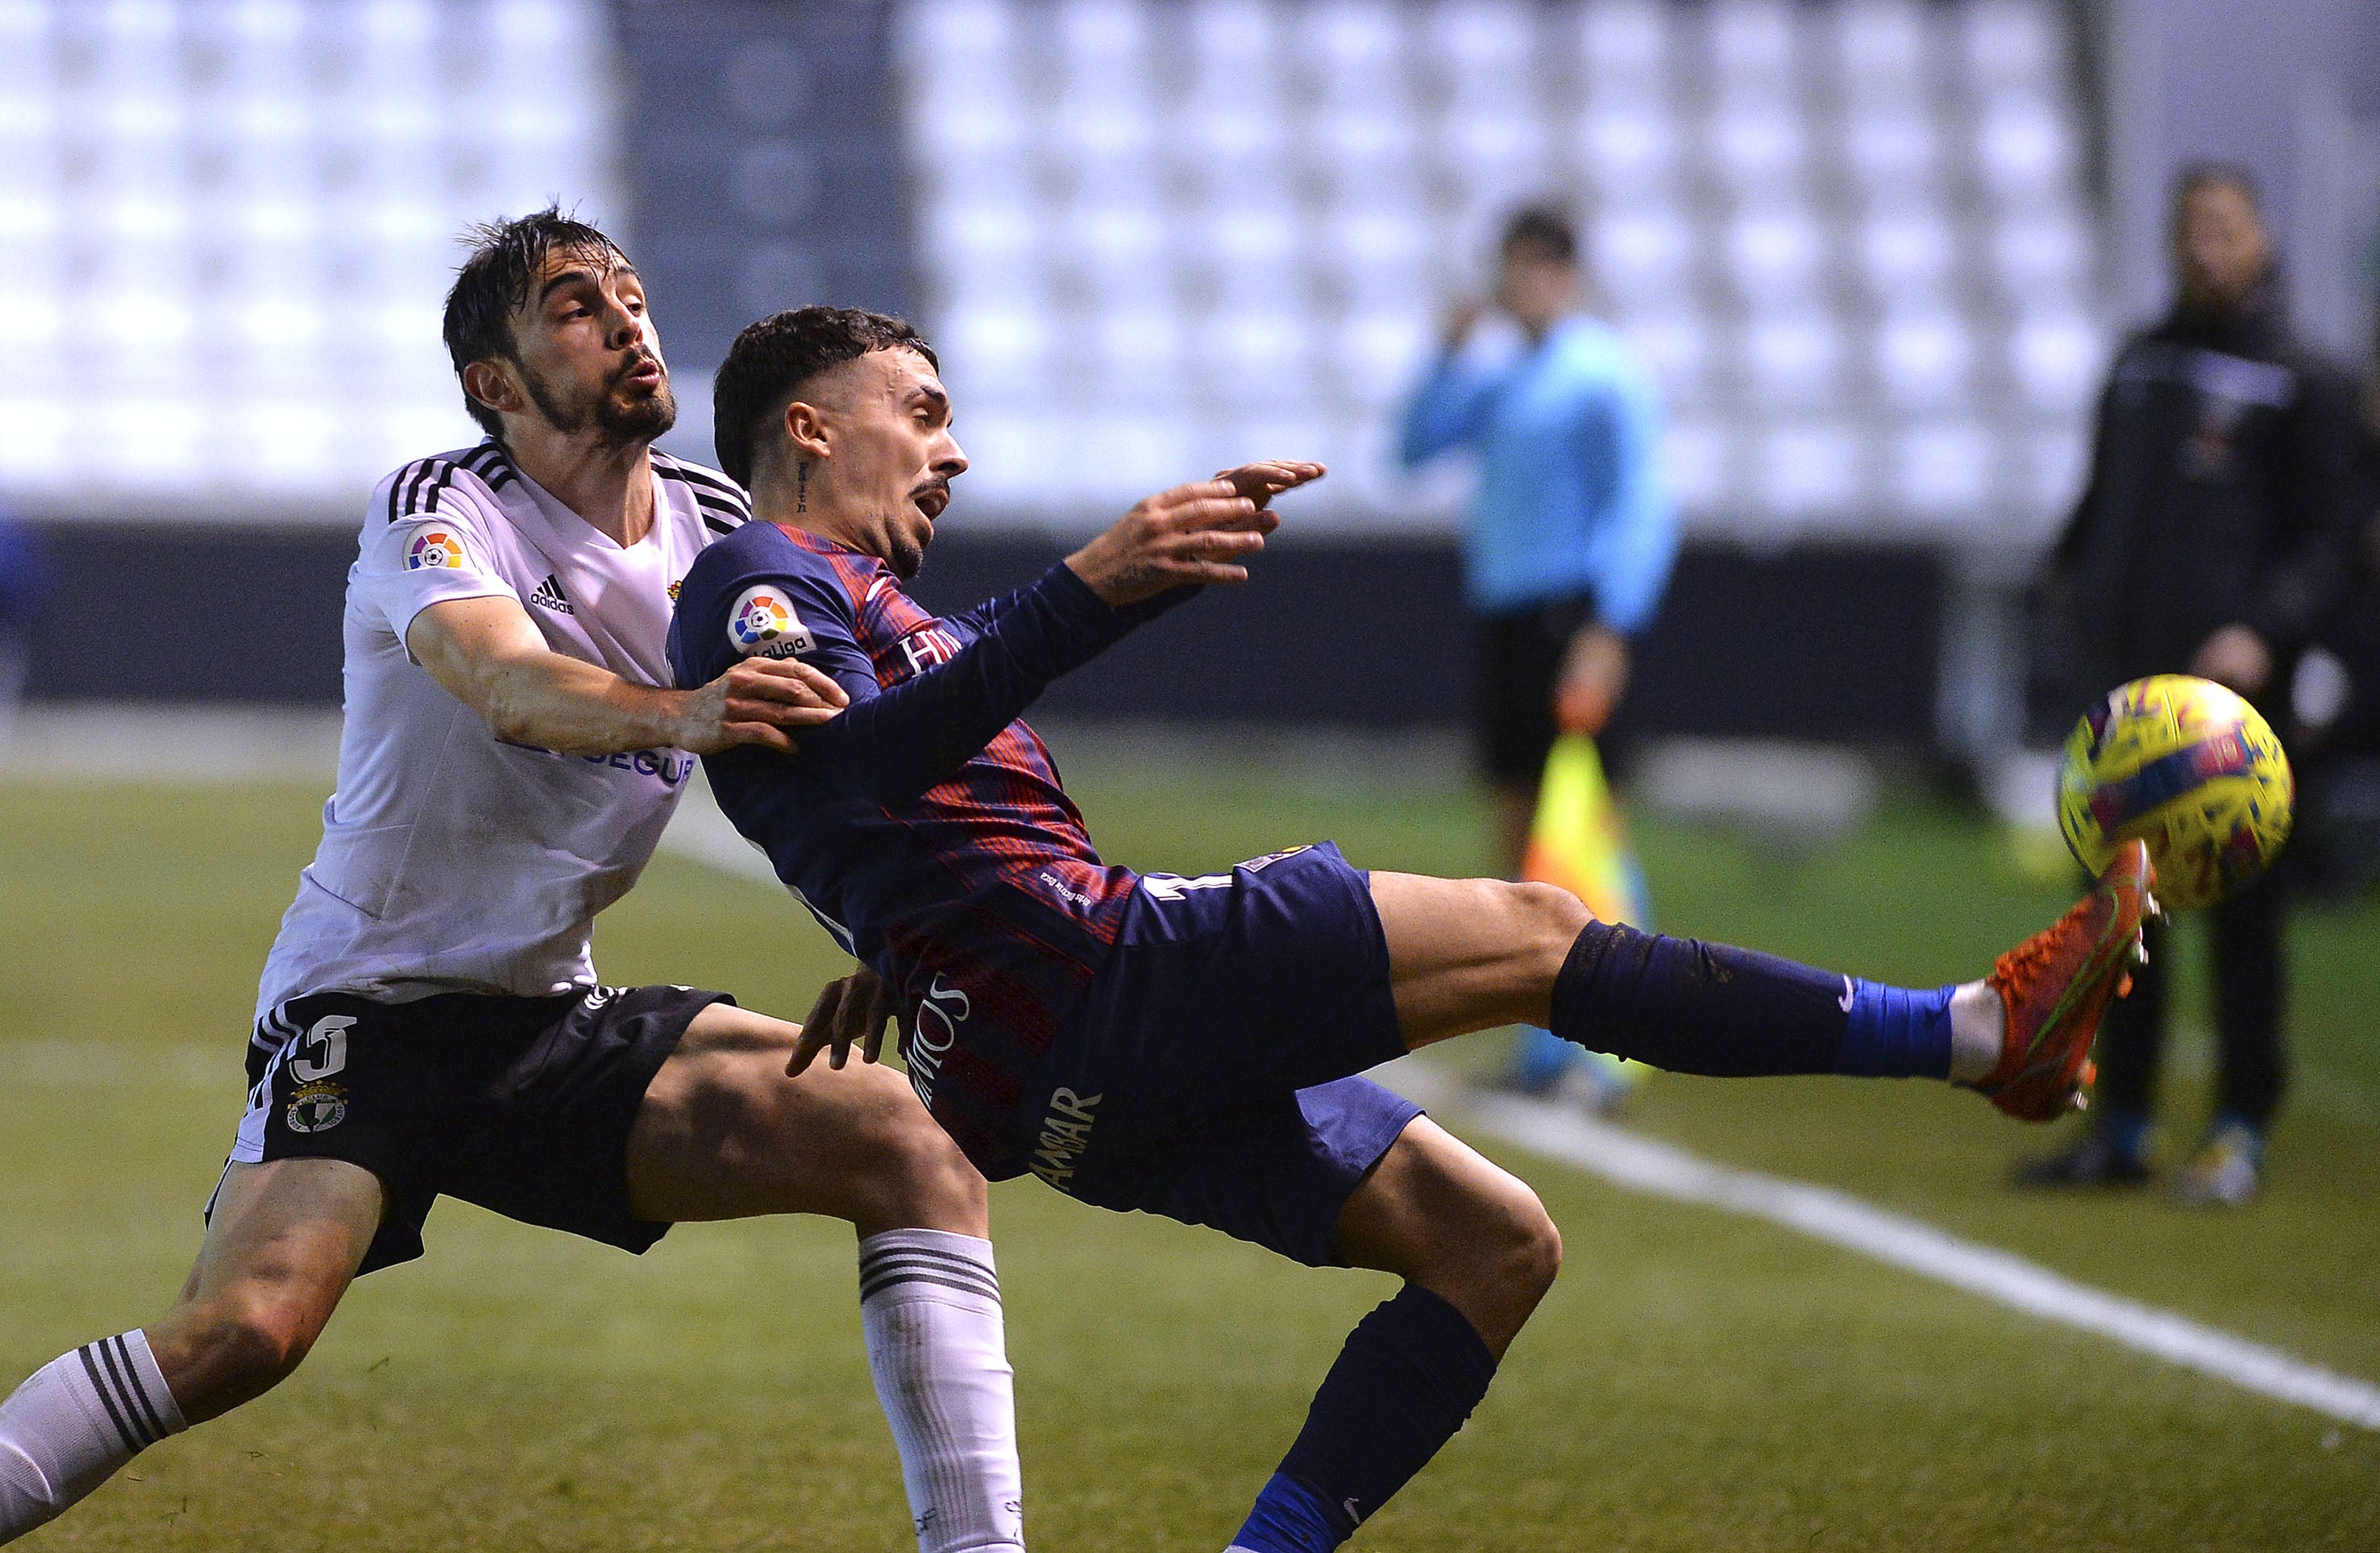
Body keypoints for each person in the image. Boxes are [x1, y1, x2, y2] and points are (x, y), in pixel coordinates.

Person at [667, 305, 2149, 1553]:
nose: (954, 445)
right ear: (807, 428)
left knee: (1492, 1245)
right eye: (919, 410)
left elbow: (885, 794)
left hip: (1033, 1072)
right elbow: (850, 762)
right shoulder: (753, 580)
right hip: (1094, 973)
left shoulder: (871, 603)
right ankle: (1977, 1034)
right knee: (1529, 927)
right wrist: (1087, 589)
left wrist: (913, 931)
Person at [0, 212, 1029, 1553]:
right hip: (370, 1002)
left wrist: (892, 927)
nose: (626, 322)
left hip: (545, 1017)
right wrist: (683, 711)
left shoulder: (724, 535)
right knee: (245, 1331)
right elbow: (499, 679)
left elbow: (847, 755)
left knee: (912, 1140)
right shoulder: (441, 504)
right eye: (574, 307)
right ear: (494, 382)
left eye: (634, 296)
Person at [2021, 165, 2358, 1205]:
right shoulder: (2139, 362)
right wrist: (2067, 570)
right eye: (2189, 230)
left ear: (2259, 239)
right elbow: (2100, 496)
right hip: (2129, 700)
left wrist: (2260, 630)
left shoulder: (2304, 377)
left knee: (2243, 924)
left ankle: (2237, 1131)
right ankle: (2118, 1124)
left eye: (2224, 228)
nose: (2204, 246)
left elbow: (2330, 541)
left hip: (2233, 714)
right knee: (2121, 915)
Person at [1397, 205, 1680, 1103]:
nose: (1517, 287)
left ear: (1564, 273)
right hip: (1508, 622)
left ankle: (1611, 1046)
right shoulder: (1506, 379)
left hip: (1571, 618)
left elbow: (1641, 504)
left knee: (1586, 826)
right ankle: (1545, 1047)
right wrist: (1443, 353)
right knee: (1519, 832)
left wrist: (1611, 629)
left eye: (1532, 268)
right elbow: (1410, 450)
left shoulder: (1603, 376)